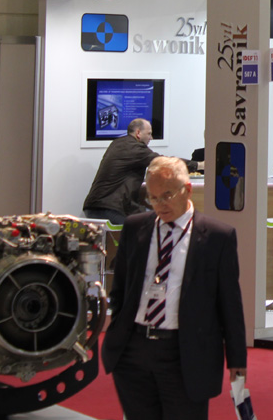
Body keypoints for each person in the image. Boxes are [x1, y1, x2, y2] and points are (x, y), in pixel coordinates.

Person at [101, 157, 247, 420]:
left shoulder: (217, 237)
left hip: (184, 353)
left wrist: (237, 357)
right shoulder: (135, 228)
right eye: (153, 198)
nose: (160, 204)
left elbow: (230, 302)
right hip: (133, 350)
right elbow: (120, 287)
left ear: (187, 190)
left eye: (167, 196)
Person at [83, 118, 195, 225]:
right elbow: (164, 163)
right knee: (152, 225)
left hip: (95, 206)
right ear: (138, 133)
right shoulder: (134, 148)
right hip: (110, 209)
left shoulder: (118, 143)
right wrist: (198, 165)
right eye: (149, 134)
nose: (151, 138)